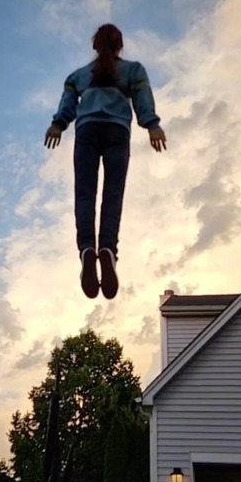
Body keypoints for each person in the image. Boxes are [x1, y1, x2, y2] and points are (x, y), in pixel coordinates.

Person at [44, 24, 167, 299]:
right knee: (113, 196)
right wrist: (152, 125)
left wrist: (58, 125)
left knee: (85, 195)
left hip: (87, 131)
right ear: (120, 45)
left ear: (94, 47)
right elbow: (142, 98)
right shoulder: (134, 70)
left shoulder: (77, 76)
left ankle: (87, 250)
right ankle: (108, 250)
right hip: (117, 132)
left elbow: (67, 106)